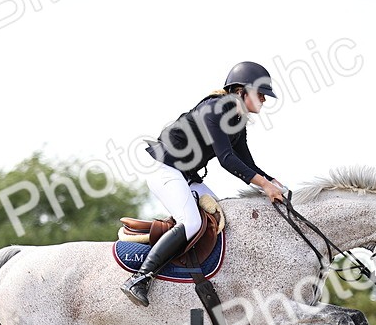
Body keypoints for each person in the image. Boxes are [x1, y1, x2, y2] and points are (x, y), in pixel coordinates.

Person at [121, 61, 286, 307]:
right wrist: (264, 185)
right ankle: (140, 278)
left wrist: (272, 181)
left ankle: (201, 276)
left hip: (185, 175)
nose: (264, 98)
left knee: (222, 217)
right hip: (163, 168)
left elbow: (245, 161)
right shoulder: (216, 109)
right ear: (241, 91)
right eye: (260, 93)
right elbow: (226, 159)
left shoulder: (237, 121)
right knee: (192, 222)